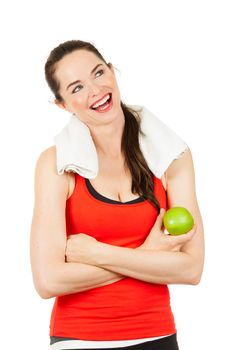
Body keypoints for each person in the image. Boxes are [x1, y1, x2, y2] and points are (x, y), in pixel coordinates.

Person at [30, 40, 205, 350]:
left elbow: (191, 268)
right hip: (80, 339)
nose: (96, 90)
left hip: (158, 334)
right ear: (63, 104)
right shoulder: (56, 164)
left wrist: (97, 253)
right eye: (77, 87)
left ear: (112, 71)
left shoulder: (170, 156)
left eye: (99, 72)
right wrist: (149, 255)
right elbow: (48, 281)